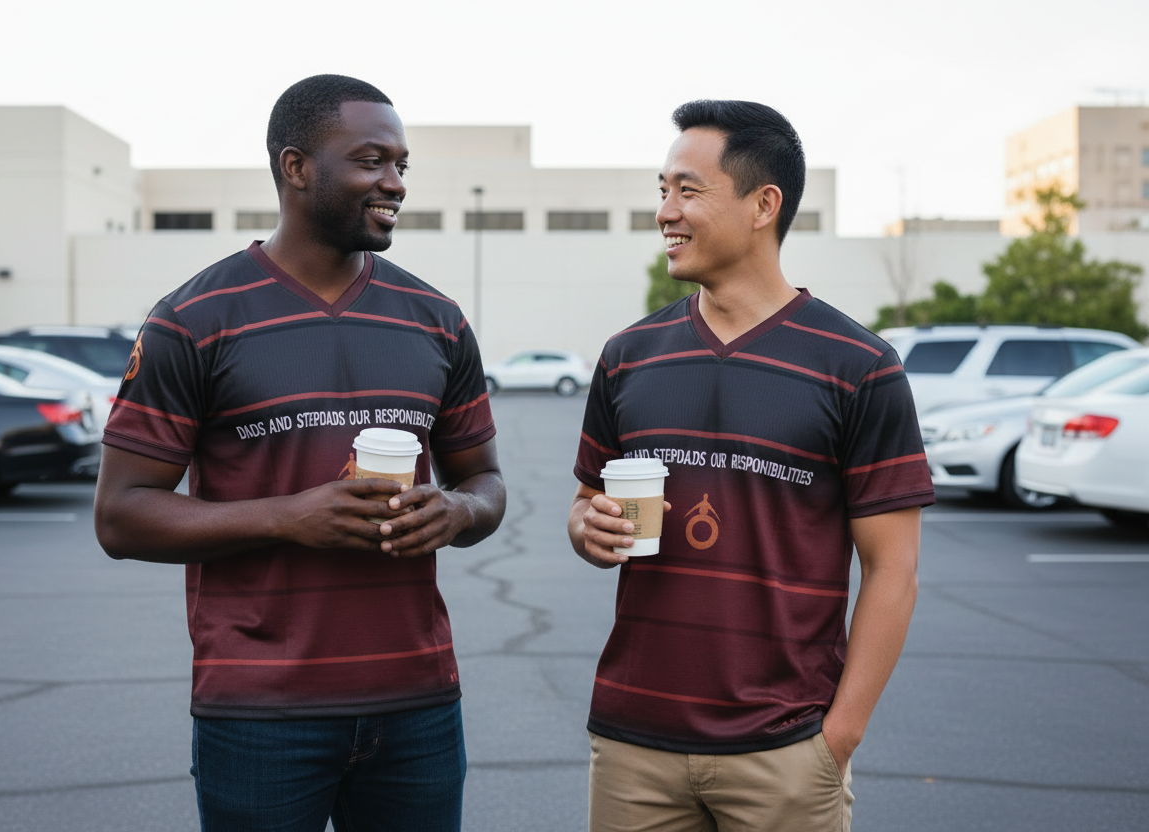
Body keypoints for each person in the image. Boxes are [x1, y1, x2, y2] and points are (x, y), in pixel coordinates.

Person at [94, 74, 505, 832]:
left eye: (401, 165)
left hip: (417, 706)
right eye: (371, 161)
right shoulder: (194, 318)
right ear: (296, 167)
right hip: (260, 713)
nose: (395, 183)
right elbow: (120, 517)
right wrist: (289, 517)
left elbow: (485, 482)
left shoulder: (437, 319)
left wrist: (456, 511)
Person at [568, 100, 934, 831]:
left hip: (785, 751)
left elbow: (893, 569)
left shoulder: (858, 366)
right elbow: (584, 503)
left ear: (764, 205)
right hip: (634, 744)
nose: (665, 212)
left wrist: (837, 739)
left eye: (688, 190)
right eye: (662, 191)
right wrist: (589, 528)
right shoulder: (628, 356)